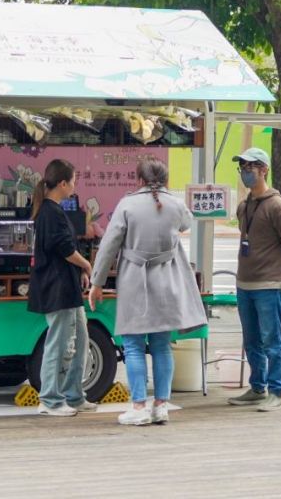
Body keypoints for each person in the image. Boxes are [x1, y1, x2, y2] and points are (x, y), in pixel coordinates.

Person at [89, 159, 206, 426]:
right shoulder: (175, 204)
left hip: (134, 278)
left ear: (138, 180)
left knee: (133, 346)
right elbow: (186, 223)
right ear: (165, 180)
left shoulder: (127, 204)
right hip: (167, 279)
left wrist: (97, 282)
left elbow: (109, 245)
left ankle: (139, 406)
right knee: (162, 345)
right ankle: (161, 406)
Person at [227, 147, 281, 413]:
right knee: (251, 339)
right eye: (242, 167)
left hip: (269, 284)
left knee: (272, 339)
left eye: (250, 167)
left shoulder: (277, 206)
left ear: (264, 169)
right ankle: (257, 387)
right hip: (245, 282)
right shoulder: (244, 206)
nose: (246, 172)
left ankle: (275, 389)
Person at [27, 159, 95, 416]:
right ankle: (50, 400)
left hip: (67, 288)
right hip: (56, 289)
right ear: (63, 183)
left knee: (79, 342)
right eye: (74, 181)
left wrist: (79, 272)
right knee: (59, 344)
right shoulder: (50, 212)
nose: (75, 186)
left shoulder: (53, 210)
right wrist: (86, 265)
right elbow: (65, 249)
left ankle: (74, 395)